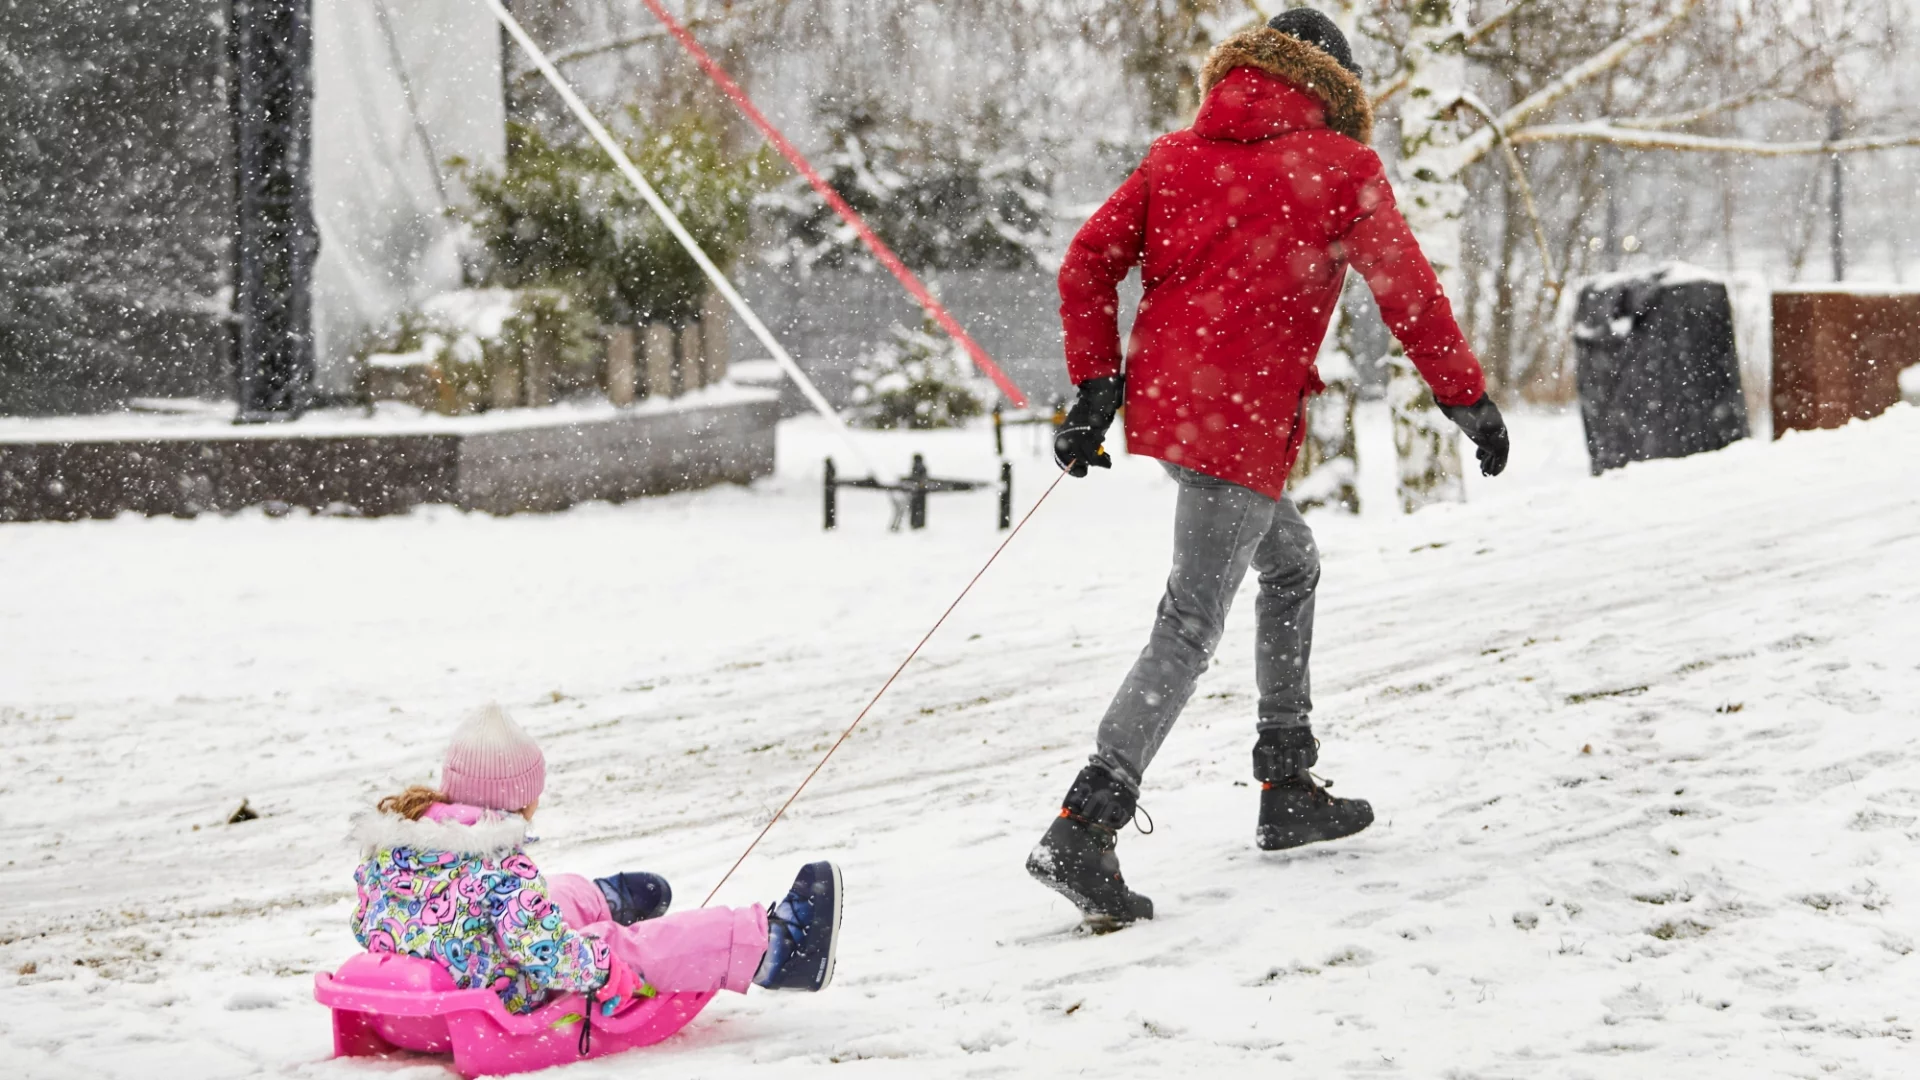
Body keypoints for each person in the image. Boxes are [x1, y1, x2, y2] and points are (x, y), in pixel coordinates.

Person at [1028, 9, 1510, 927]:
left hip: (1184, 409)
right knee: (1189, 623)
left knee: (1290, 563)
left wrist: (1097, 382)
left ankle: (1286, 781)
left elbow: (1087, 263)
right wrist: (1464, 396)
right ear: (1336, 85)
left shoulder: (1177, 156)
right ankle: (1085, 823)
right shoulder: (1339, 167)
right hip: (1239, 422)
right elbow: (1407, 290)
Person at [351, 705, 843, 1015]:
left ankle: (593, 898)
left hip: (429, 988)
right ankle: (775, 952)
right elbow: (546, 955)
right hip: (495, 995)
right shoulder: (500, 867)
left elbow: (364, 923)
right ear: (519, 800)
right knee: (607, 944)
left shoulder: (401, 846)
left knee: (529, 902)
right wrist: (603, 969)